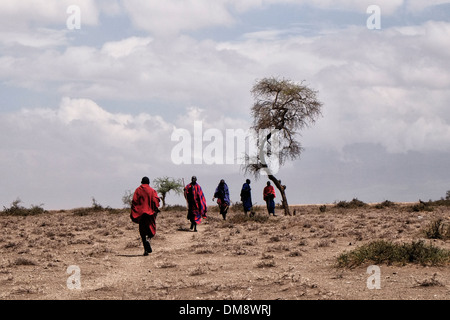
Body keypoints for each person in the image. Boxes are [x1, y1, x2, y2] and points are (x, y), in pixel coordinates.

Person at [130, 177, 160, 256]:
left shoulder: (138, 190)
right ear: (149, 182)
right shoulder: (152, 190)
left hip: (141, 214)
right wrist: (156, 208)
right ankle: (148, 240)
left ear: (141, 182)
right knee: (151, 229)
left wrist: (135, 211)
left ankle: (145, 250)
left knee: (142, 232)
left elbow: (134, 201)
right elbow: (156, 201)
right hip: (150, 214)